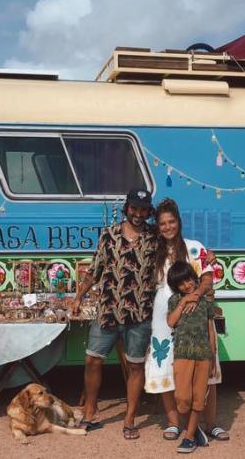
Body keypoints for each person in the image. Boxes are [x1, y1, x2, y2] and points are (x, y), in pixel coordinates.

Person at [71, 188, 158, 440]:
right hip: (108, 310)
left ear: (148, 211)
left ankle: (129, 418)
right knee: (92, 360)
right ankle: (90, 410)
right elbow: (94, 270)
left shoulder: (154, 238)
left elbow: (174, 256)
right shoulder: (109, 235)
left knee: (135, 365)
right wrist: (79, 296)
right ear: (126, 208)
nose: (138, 214)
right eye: (134, 208)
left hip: (140, 313)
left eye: (143, 209)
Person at [145, 198, 228, 444]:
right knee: (167, 368)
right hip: (163, 318)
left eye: (171, 221)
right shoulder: (153, 252)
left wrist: (194, 296)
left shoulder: (194, 247)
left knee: (206, 372)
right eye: (162, 223)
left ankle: (210, 424)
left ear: (179, 222)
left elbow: (207, 277)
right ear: (158, 227)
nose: (167, 227)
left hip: (196, 315)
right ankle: (174, 423)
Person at [166, 261, 217, 454]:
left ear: (194, 278)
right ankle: (194, 429)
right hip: (182, 354)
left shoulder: (206, 301)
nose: (187, 285)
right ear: (176, 287)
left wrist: (212, 356)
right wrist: (183, 302)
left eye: (188, 280)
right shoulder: (175, 300)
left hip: (203, 355)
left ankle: (188, 437)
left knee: (198, 397)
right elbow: (171, 322)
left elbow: (210, 330)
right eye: (181, 283)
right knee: (182, 397)